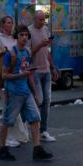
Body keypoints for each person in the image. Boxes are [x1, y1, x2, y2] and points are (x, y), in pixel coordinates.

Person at [0, 25, 53, 162]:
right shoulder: (11, 53)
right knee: (8, 121)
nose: (24, 38)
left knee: (35, 118)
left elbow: (29, 75)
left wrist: (34, 93)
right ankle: (3, 149)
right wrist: (20, 74)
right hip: (14, 93)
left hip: (26, 92)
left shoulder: (27, 53)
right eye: (21, 35)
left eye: (26, 35)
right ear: (17, 37)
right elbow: (4, 75)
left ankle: (37, 149)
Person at [0, 15, 28, 147]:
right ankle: (7, 137)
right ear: (2, 25)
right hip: (4, 77)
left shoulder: (13, 38)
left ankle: (18, 134)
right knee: (8, 107)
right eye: (7, 22)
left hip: (16, 77)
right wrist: (5, 52)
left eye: (11, 22)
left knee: (14, 107)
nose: (10, 25)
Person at [28, 9, 59, 143]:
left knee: (47, 101)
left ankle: (43, 131)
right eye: (40, 19)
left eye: (43, 19)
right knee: (38, 101)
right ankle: (34, 129)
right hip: (34, 70)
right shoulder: (28, 32)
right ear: (34, 19)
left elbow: (47, 51)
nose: (42, 22)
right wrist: (40, 44)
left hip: (46, 69)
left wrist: (53, 67)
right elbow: (28, 54)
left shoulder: (46, 30)